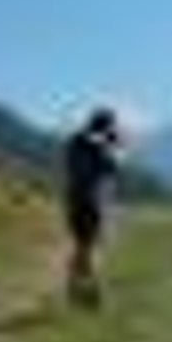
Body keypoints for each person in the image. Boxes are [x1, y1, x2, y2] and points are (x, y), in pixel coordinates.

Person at [62, 107, 123, 308]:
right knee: (92, 247)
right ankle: (92, 294)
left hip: (73, 200)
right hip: (94, 201)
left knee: (81, 246)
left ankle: (73, 289)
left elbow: (70, 166)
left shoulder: (74, 141)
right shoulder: (101, 145)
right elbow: (113, 167)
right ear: (107, 126)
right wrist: (116, 143)